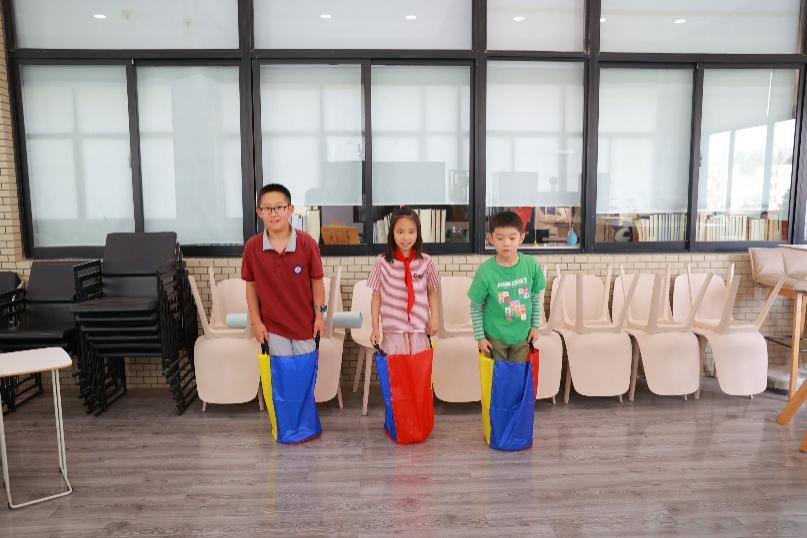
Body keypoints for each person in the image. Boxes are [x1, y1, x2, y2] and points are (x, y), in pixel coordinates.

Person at [242, 183, 326, 355]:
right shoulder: (252, 247)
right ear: (259, 212)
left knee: (305, 371)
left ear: (290, 209)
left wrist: (319, 317)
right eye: (267, 208)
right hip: (273, 329)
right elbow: (251, 287)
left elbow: (317, 284)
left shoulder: (307, 244)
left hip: (305, 327)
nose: (273, 214)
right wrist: (256, 322)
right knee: (281, 372)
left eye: (279, 207)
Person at [468, 210, 546, 362]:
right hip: (494, 337)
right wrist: (480, 337)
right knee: (497, 376)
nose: (506, 243)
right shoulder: (485, 271)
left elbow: (536, 299)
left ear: (521, 238)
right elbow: (476, 306)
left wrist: (535, 326)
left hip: (522, 336)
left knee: (518, 375)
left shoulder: (531, 266)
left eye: (512, 238)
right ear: (491, 239)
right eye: (500, 238)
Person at [368, 206, 440, 355]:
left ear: (418, 233)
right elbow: (376, 296)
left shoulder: (426, 261)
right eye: (400, 232)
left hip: (419, 329)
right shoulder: (382, 262)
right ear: (392, 233)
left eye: (411, 232)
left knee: (419, 369)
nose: (406, 238)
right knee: (395, 370)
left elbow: (432, 293)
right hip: (393, 331)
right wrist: (375, 327)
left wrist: (435, 317)